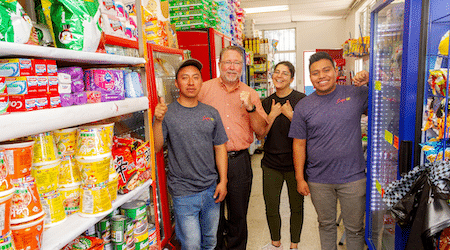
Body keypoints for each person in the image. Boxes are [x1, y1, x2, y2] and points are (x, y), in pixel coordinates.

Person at [288, 51, 369, 250]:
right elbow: (298, 144)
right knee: (326, 225)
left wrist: (370, 77)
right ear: (310, 78)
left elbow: (387, 99)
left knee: (355, 229)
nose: (321, 76)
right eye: (315, 73)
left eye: (326, 70)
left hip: (353, 178)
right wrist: (300, 178)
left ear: (335, 71)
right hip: (318, 180)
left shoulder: (355, 94)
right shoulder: (304, 106)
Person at [153, 58, 229, 250]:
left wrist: (223, 181)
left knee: (210, 241)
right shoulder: (168, 113)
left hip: (211, 189)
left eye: (196, 77)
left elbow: (220, 147)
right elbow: (156, 147)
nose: (191, 82)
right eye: (185, 78)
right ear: (177, 83)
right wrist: (158, 121)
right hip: (183, 191)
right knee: (192, 245)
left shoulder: (211, 112)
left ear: (201, 82)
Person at [198, 46, 268, 250]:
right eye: (227, 62)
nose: (231, 67)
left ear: (241, 67)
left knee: (238, 215)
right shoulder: (204, 89)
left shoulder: (250, 94)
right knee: (212, 215)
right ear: (219, 64)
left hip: (239, 162)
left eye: (236, 63)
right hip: (209, 161)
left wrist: (251, 108)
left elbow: (261, 131)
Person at [259, 61, 306, 250]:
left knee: (297, 207)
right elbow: (260, 134)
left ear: (292, 78)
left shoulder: (301, 100)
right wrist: (271, 116)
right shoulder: (265, 101)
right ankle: (275, 243)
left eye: (285, 73)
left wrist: (290, 115)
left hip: (296, 164)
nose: (279, 76)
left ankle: (294, 245)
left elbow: (309, 131)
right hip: (271, 163)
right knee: (271, 206)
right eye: (277, 72)